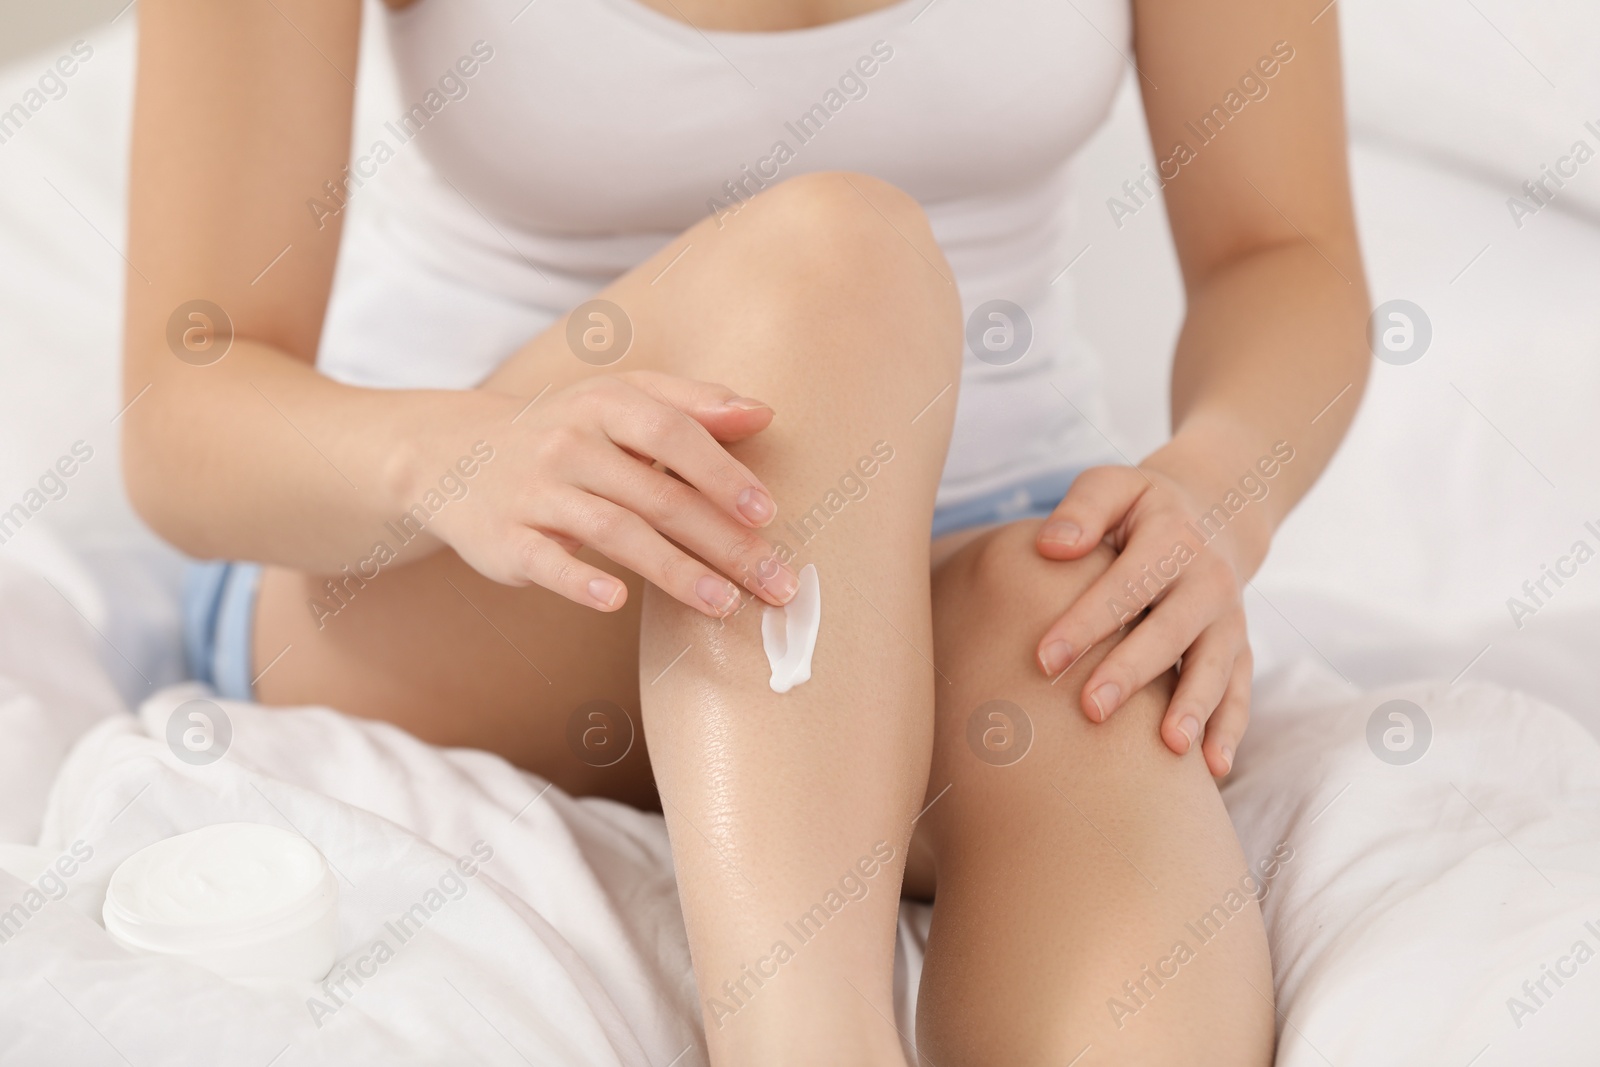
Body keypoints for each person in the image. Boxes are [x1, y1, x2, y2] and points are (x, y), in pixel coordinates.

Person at [123, 0, 1368, 1062]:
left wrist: (1215, 491)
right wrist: (450, 455)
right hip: (464, 560)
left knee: (1078, 669)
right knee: (838, 257)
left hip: (977, 553)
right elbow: (184, 407)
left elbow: (1282, 250)